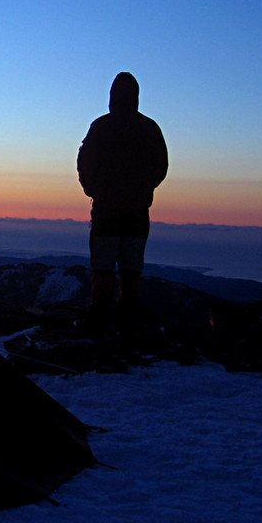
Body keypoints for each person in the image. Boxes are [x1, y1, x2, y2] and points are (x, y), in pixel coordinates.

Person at [77, 72, 168, 331]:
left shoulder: (101, 126)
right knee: (132, 258)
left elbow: (85, 161)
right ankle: (128, 305)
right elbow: (161, 166)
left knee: (104, 259)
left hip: (106, 206)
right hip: (137, 208)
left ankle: (100, 308)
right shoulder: (149, 128)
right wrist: (144, 189)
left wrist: (93, 189)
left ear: (112, 96)